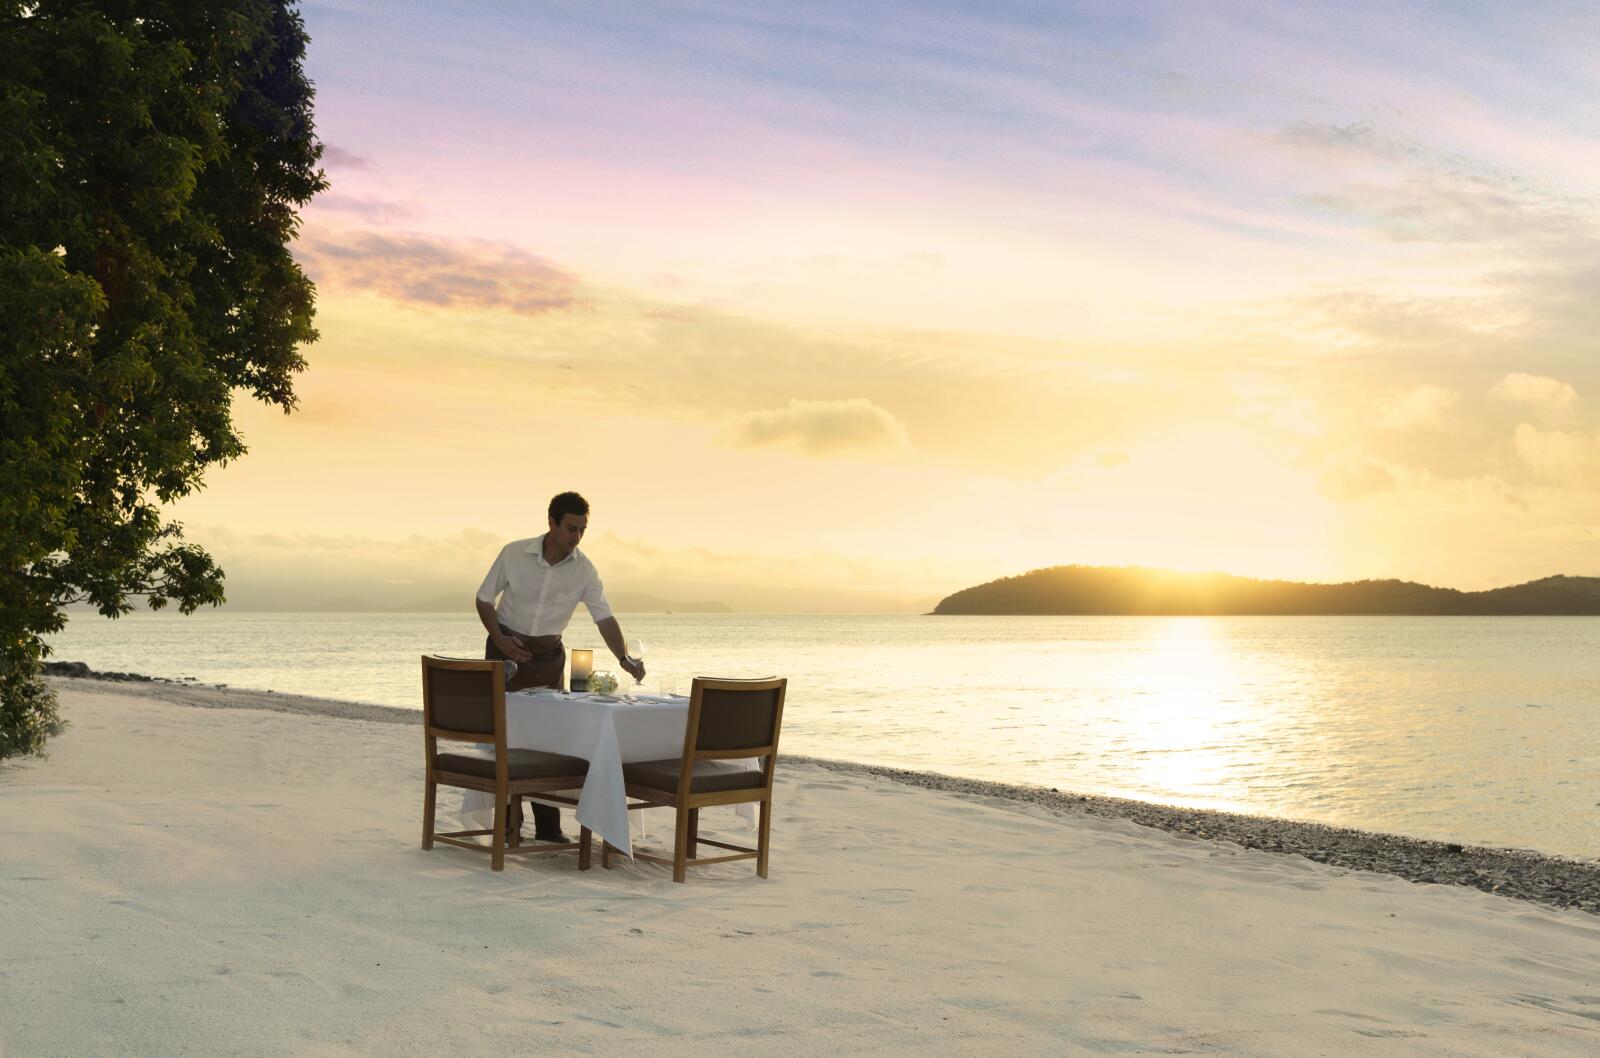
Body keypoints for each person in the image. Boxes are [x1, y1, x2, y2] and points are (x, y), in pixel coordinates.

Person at [475, 490, 646, 842]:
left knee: (547, 740)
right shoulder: (514, 553)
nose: (577, 537)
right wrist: (502, 640)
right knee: (506, 740)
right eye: (571, 528)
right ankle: (509, 824)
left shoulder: (584, 569)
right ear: (551, 523)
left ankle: (548, 828)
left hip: (549, 658)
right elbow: (483, 598)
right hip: (504, 650)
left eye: (583, 529)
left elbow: (604, 617)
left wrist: (624, 657)